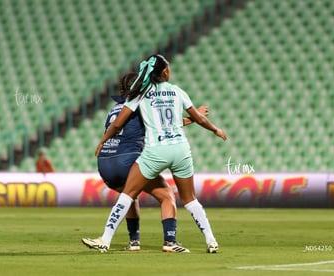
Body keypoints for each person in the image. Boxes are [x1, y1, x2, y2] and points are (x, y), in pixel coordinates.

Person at [83, 54, 227, 253]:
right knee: (190, 199)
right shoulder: (177, 91)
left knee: (128, 195)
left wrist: (102, 141)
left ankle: (105, 240)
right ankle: (210, 241)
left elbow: (117, 124)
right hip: (180, 149)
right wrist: (216, 130)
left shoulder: (141, 94)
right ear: (165, 71)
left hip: (156, 151)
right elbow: (199, 119)